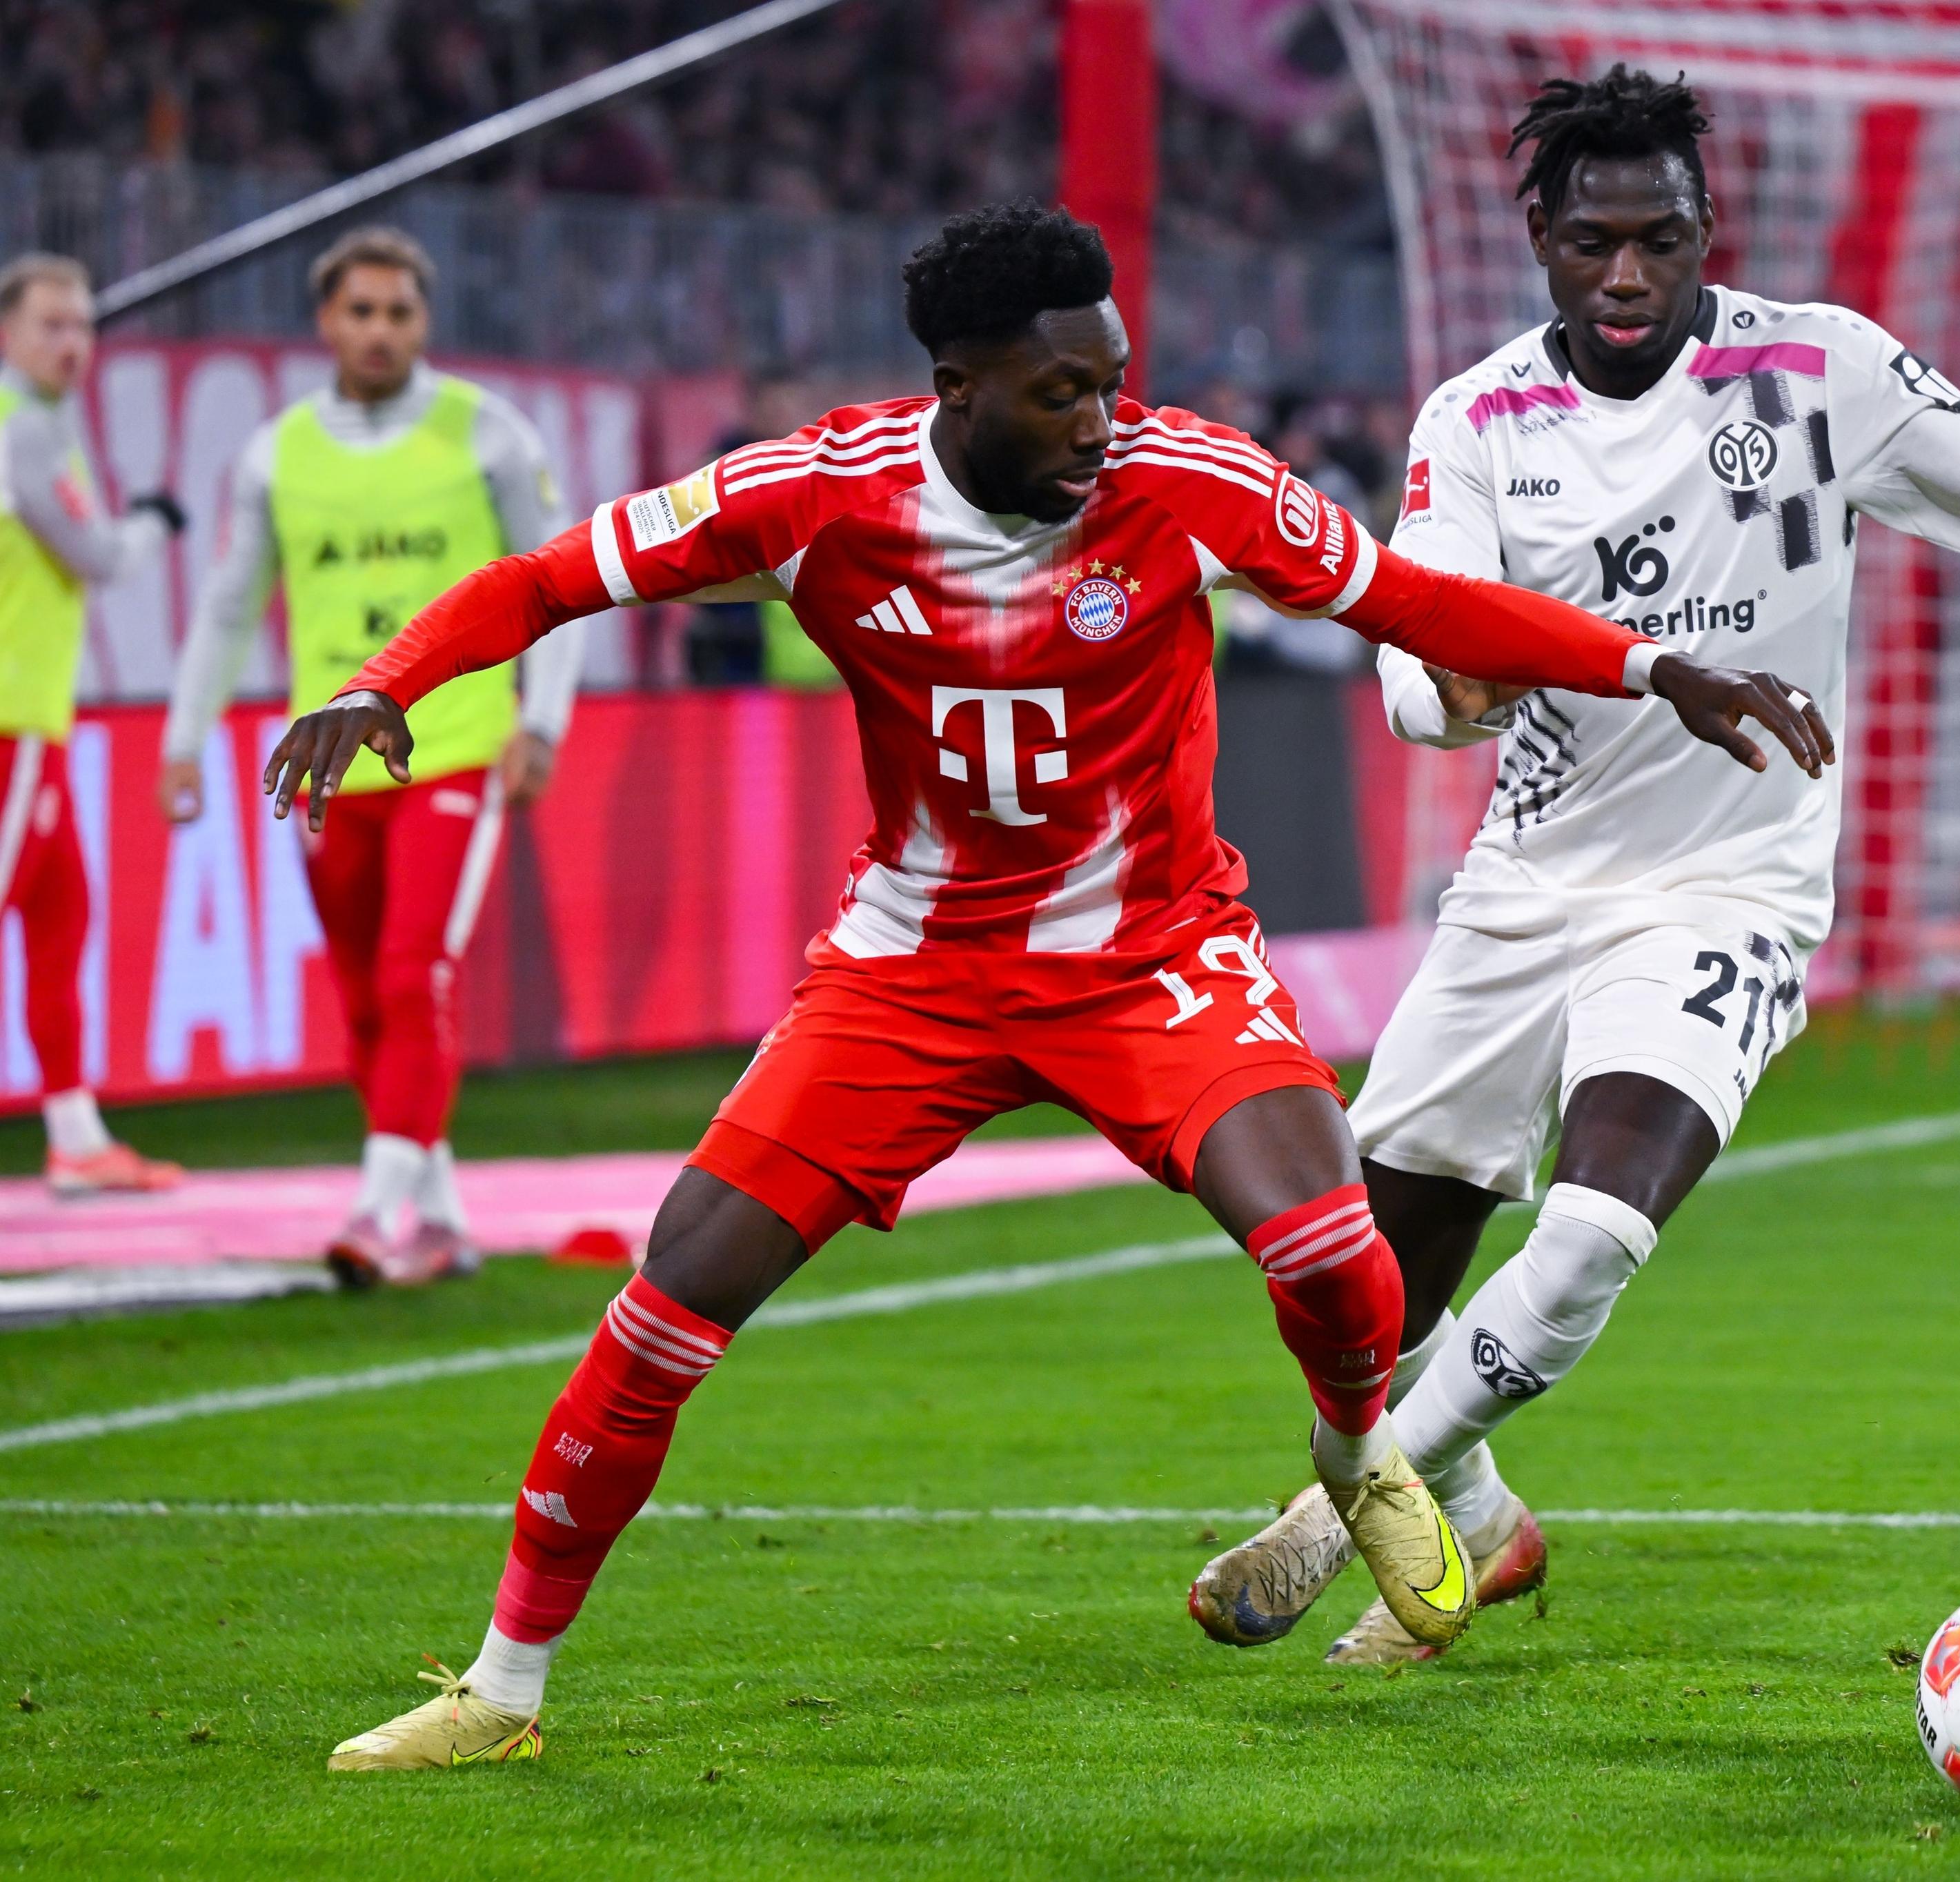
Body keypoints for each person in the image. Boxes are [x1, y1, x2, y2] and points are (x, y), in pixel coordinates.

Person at [263, 202, 1822, 1770]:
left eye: (1114, 380)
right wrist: (378, 683)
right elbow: (545, 579)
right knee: (669, 1302)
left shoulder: (1189, 483)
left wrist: (1645, 664)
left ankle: (1360, 1456)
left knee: (1340, 1257)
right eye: (1061, 394)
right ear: (958, 381)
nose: (1102, 423)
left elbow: (1415, 604)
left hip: (1151, 956)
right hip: (912, 973)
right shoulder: (815, 494)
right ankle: (501, 1692)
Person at [1189, 66, 1960, 1665]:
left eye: (1661, 242)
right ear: (1539, 233)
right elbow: (1424, 641)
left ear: (1704, 236)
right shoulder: (1473, 420)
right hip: (1526, 885)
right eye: (1595, 241)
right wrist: (1436, 695)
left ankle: (1343, 1508)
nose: (1628, 277)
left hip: (1732, 888)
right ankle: (1470, 1507)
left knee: (1600, 1224)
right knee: (1363, 1293)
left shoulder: (1820, 371)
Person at [159, 226, 584, 1286]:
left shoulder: (487, 433)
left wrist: (542, 723)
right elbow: (225, 608)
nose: (381, 331)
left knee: (412, 971)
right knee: (359, 992)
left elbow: (567, 584)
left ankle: (372, 1212)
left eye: (399, 312)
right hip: (328, 765)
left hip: (453, 749)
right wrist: (183, 737)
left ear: (423, 321)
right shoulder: (277, 453)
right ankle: (438, 1217)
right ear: (327, 324)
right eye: (362, 312)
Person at [0, 252, 186, 1198]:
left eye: (82, 324)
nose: (72, 343)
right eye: (50, 324)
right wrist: (155, 522)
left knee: (61, 914)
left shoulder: (33, 424)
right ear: (7, 330)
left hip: (33, 722)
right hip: (10, 720)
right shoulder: (23, 429)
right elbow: (95, 554)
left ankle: (74, 1134)